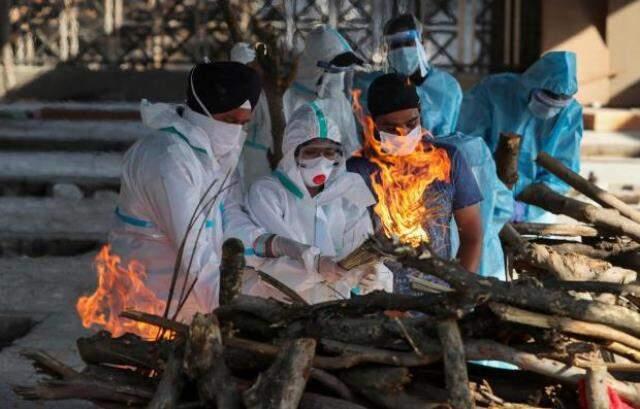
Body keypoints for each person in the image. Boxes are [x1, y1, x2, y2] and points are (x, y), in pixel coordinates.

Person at [109, 62, 265, 320]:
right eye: (227, 120)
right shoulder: (169, 158)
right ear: (201, 110)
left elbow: (230, 211)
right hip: (151, 298)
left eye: (243, 123)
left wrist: (268, 244)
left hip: (193, 295)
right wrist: (228, 307)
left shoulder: (216, 154)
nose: (234, 131)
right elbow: (192, 244)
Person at [243, 101, 393, 303]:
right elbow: (264, 261)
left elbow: (361, 248)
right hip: (278, 309)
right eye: (312, 152)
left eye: (329, 152)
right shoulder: (269, 193)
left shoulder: (348, 194)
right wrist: (316, 267)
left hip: (336, 310)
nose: (321, 161)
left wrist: (371, 276)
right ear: (292, 150)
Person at [348, 73, 482, 293]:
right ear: (373, 125)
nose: (403, 134)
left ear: (421, 115)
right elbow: (345, 242)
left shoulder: (447, 159)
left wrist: (459, 293)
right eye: (391, 128)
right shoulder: (358, 170)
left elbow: (472, 236)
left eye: (411, 123)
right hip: (376, 298)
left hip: (435, 296)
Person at [458, 51, 583, 223]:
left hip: (534, 205)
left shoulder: (570, 114)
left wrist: (527, 210)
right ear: (532, 84)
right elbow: (468, 145)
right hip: (484, 195)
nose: (550, 109)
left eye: (558, 104)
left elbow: (562, 172)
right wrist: (490, 191)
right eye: (545, 99)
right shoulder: (494, 90)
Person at [353, 13, 462, 137]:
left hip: (437, 154)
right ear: (387, 50)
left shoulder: (448, 87)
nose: (403, 51)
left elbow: (454, 135)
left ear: (421, 43)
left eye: (408, 43)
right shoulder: (371, 87)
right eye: (395, 45)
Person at [283, 25, 363, 156]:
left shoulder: (339, 101)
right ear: (314, 68)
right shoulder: (292, 99)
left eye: (343, 70)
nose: (338, 76)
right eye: (335, 70)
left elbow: (351, 147)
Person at [229, 42, 274, 192]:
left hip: (264, 160)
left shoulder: (270, 93)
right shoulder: (238, 91)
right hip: (244, 157)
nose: (257, 70)